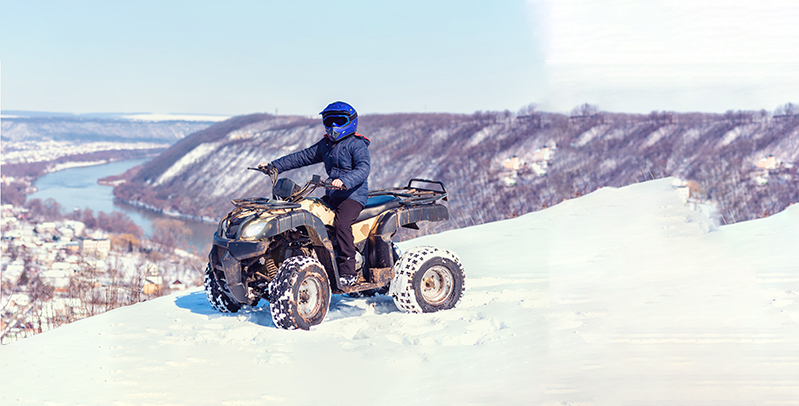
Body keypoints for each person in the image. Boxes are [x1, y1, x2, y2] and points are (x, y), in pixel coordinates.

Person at [259, 101, 370, 287]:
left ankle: (349, 272)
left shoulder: (357, 144)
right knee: (311, 215)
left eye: (339, 121)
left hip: (352, 196)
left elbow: (363, 168)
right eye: (330, 121)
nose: (334, 126)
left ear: (350, 122)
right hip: (333, 194)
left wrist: (345, 181)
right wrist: (274, 165)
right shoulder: (326, 144)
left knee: (341, 224)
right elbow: (301, 157)